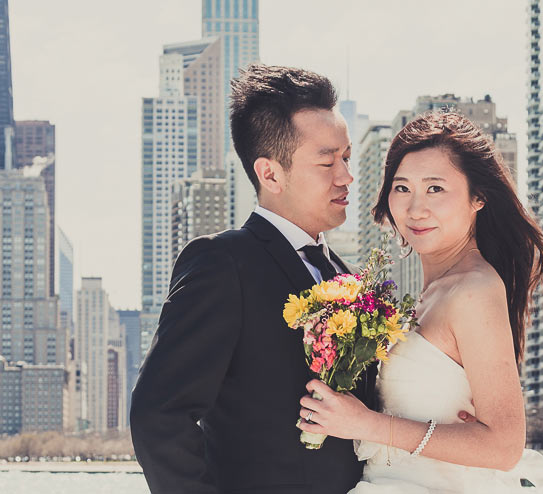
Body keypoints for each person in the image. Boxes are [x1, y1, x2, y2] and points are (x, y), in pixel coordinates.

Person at [131, 65, 386, 492]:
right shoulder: (222, 262)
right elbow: (158, 415)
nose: (346, 177)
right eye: (327, 161)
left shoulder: (345, 275)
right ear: (270, 174)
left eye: (346, 157)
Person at [293, 111, 543, 493]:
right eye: (402, 188)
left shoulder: (474, 290)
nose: (415, 208)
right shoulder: (430, 294)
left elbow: (504, 447)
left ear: (479, 197)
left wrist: (365, 424)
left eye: (435, 188)